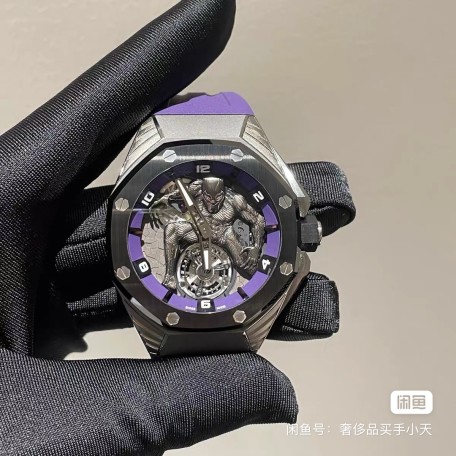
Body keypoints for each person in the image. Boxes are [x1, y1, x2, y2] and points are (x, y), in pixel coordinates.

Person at [0, 1, 355, 454]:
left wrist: (248, 254)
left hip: (221, 266)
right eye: (204, 196)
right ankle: (183, 278)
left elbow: (251, 218)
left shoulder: (238, 207)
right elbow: (174, 228)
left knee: (224, 249)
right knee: (175, 236)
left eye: (216, 195)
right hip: (184, 269)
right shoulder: (186, 210)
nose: (210, 200)